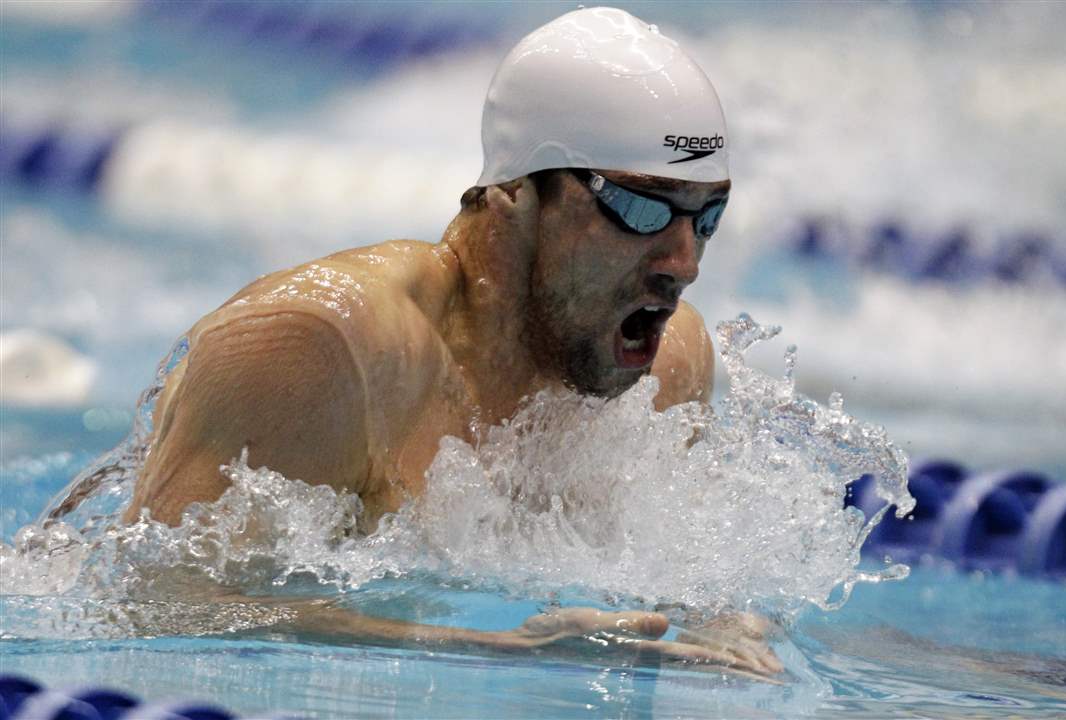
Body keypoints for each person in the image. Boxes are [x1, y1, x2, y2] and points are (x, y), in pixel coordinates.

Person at [122, 7, 781, 677]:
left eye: (707, 216)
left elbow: (691, 583)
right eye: (641, 208)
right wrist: (495, 654)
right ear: (517, 192)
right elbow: (158, 605)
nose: (684, 262)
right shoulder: (322, 347)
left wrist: (730, 629)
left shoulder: (669, 363)